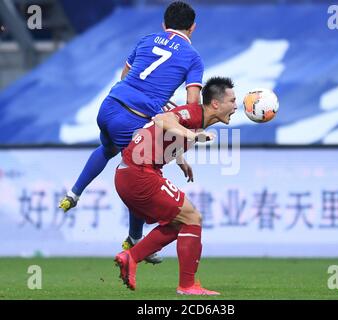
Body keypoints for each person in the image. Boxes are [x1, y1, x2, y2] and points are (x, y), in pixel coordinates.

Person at [58, 1, 204, 264]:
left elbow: (126, 75)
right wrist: (180, 151)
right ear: (193, 27)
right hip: (132, 118)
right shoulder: (193, 57)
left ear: (163, 24)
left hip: (109, 106)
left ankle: (74, 193)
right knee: (140, 169)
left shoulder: (147, 39)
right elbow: (192, 107)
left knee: (108, 149)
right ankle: (135, 239)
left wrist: (153, 101)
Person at [114, 76, 237, 295]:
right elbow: (163, 119)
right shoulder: (193, 113)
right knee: (192, 218)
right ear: (216, 104)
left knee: (179, 223)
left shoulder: (197, 121)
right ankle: (187, 286)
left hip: (130, 174)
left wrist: (180, 159)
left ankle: (130, 258)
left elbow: (165, 131)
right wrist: (192, 136)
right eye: (232, 101)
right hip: (139, 174)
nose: (236, 106)